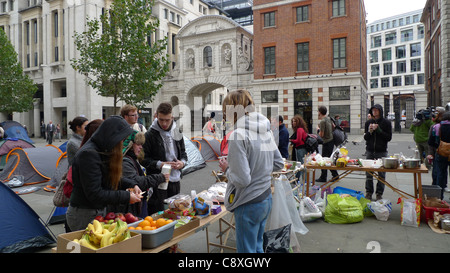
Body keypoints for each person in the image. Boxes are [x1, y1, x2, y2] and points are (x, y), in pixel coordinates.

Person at [219, 89, 284, 253]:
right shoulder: (265, 131)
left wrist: (227, 169)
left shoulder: (237, 136)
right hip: (265, 197)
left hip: (248, 202)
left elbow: (242, 180)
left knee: (247, 251)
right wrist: (260, 168)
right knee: (257, 246)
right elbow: (278, 163)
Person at [66, 116, 142, 231]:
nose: (122, 143)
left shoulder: (101, 149)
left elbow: (108, 178)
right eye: (121, 140)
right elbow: (95, 193)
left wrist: (132, 185)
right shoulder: (89, 154)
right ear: (113, 136)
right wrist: (126, 196)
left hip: (95, 211)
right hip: (84, 214)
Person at [108, 130, 169, 218]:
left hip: (136, 203)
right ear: (130, 145)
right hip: (129, 207)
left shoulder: (132, 159)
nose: (141, 147)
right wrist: (160, 177)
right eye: (138, 144)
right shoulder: (125, 161)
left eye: (141, 144)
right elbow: (136, 181)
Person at [141, 102, 187, 215]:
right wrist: (160, 164)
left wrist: (182, 163)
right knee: (158, 213)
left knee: (175, 212)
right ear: (156, 116)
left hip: (175, 179)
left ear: (172, 117)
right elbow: (142, 159)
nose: (164, 123)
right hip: (157, 180)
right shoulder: (150, 134)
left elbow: (184, 153)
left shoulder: (177, 131)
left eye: (167, 120)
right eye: (161, 120)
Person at [363, 104, 392, 201]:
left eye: (376, 110)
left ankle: (379, 193)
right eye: (373, 110)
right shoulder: (368, 123)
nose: (374, 112)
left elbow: (388, 138)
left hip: (381, 151)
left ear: (380, 111)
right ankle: (369, 192)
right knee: (369, 173)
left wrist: (379, 130)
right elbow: (365, 138)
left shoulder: (386, 123)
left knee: (381, 174)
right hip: (370, 150)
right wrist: (370, 131)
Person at [315, 106, 338, 182]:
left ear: (320, 112)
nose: (317, 113)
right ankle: (334, 175)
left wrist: (318, 130)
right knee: (328, 159)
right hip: (331, 141)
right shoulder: (329, 119)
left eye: (318, 111)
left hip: (326, 142)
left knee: (325, 160)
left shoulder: (322, 121)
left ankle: (326, 177)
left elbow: (321, 135)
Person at [427, 107, 448, 191]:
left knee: (439, 171)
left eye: (437, 113)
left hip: (439, 152)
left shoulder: (435, 126)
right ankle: (442, 186)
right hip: (440, 152)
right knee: (441, 171)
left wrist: (430, 153)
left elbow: (430, 142)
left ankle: (438, 189)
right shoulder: (435, 126)